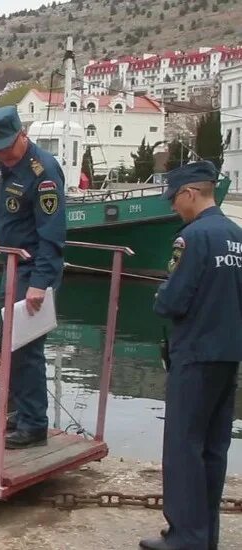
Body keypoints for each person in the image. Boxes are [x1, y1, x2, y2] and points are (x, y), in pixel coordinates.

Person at [139, 161, 242, 550]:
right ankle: (205, 534)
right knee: (214, 448)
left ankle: (185, 536)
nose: (173, 208)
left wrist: (160, 296)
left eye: (174, 199)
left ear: (190, 193)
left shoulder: (193, 237)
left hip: (195, 353)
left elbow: (173, 300)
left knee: (184, 446)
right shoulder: (236, 235)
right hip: (228, 352)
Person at [0, 106, 66, 449]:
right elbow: (14, 211)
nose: (1, 154)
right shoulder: (6, 166)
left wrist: (40, 284)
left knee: (27, 348)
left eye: (6, 146)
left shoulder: (42, 171)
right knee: (9, 344)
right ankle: (22, 409)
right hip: (12, 262)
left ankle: (34, 425)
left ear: (22, 134)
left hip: (33, 269)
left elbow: (52, 233)